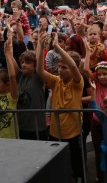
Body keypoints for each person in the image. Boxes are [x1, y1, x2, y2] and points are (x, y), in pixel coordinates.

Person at [36, 32, 84, 182]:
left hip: (72, 132)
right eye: (59, 66)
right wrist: (39, 45)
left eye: (64, 67)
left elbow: (74, 68)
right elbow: (39, 71)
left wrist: (57, 46)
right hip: (55, 131)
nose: (60, 70)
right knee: (58, 164)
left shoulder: (77, 82)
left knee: (75, 165)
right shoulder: (56, 81)